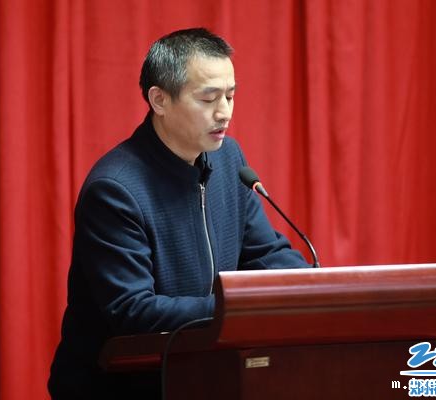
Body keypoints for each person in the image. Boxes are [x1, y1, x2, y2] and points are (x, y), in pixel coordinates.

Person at [48, 27, 309, 399]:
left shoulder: (229, 160)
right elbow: (133, 310)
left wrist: (308, 291)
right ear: (159, 100)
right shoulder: (115, 190)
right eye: (208, 98)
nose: (224, 112)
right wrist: (238, 310)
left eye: (230, 96)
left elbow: (266, 254)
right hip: (120, 386)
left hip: (204, 376)